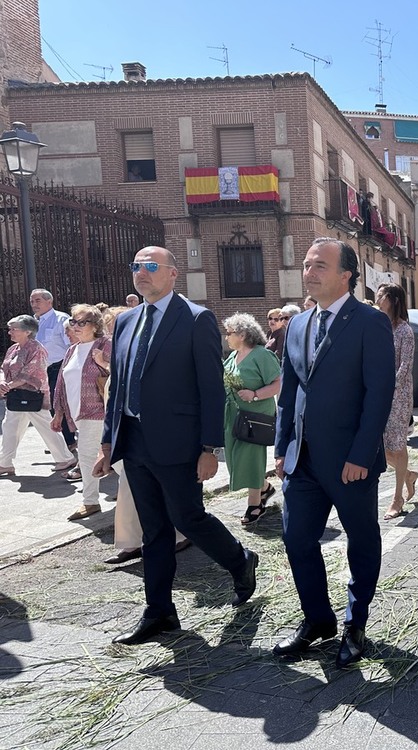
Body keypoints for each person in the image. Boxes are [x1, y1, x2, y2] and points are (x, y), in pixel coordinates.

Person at [94, 246, 259, 645]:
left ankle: (240, 561)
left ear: (172, 274)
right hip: (134, 442)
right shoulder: (127, 320)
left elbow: (209, 387)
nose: (141, 273)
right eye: (136, 266)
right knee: (154, 531)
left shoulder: (196, 318)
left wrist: (209, 448)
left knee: (188, 518)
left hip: (179, 443)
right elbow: (119, 388)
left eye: (151, 267)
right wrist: (106, 441)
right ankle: (160, 612)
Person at [272, 238, 395, 666]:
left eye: (319, 265)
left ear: (346, 274)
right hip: (302, 461)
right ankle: (317, 619)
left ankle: (355, 622)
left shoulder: (370, 322)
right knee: (296, 539)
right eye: (306, 264)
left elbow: (380, 393)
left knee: (361, 542)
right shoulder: (298, 324)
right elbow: (289, 391)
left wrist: (361, 454)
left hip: (350, 463)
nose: (309, 272)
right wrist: (282, 446)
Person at [98, 306, 189, 565]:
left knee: (162, 492)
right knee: (127, 490)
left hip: (152, 435)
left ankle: (178, 536)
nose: (114, 332)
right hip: (122, 434)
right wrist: (104, 446)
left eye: (117, 326)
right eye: (111, 328)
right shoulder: (118, 356)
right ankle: (130, 542)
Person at [51, 305, 112, 520]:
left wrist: (103, 362)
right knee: (97, 457)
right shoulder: (72, 349)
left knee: (89, 456)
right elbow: (61, 382)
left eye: (81, 322)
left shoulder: (105, 345)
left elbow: (123, 373)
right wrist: (58, 412)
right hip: (78, 412)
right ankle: (98, 500)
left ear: (95, 326)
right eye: (73, 322)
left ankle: (91, 502)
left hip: (100, 411)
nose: (75, 326)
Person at [0, 315, 78, 477]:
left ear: (28, 331)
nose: (10, 332)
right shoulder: (12, 349)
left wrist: (9, 385)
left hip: (34, 396)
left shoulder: (36, 348)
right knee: (10, 428)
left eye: (14, 329)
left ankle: (65, 458)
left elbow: (32, 373)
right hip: (15, 396)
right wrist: (2, 381)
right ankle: (5, 463)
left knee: (46, 428)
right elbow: (3, 368)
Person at [223, 313, 281, 524]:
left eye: (229, 333)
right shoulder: (232, 356)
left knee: (250, 457)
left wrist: (255, 394)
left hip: (256, 415)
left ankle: (254, 504)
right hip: (234, 415)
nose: (226, 337)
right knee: (234, 459)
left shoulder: (261, 355)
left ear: (243, 334)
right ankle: (264, 488)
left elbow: (278, 383)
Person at [377, 283, 418, 520]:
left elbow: (405, 366)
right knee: (380, 448)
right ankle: (409, 475)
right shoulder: (377, 327)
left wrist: (386, 386)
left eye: (382, 296)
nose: (378, 299)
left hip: (397, 396)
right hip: (376, 393)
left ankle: (397, 498)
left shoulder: (405, 331)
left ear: (393, 300)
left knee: (397, 445)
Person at [30, 288, 76, 451]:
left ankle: (69, 442)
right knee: (48, 406)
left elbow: (72, 345)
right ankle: (59, 442)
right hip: (40, 371)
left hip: (58, 368)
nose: (34, 304)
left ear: (49, 302)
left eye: (38, 301)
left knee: (60, 405)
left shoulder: (60, 319)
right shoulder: (32, 322)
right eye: (32, 301)